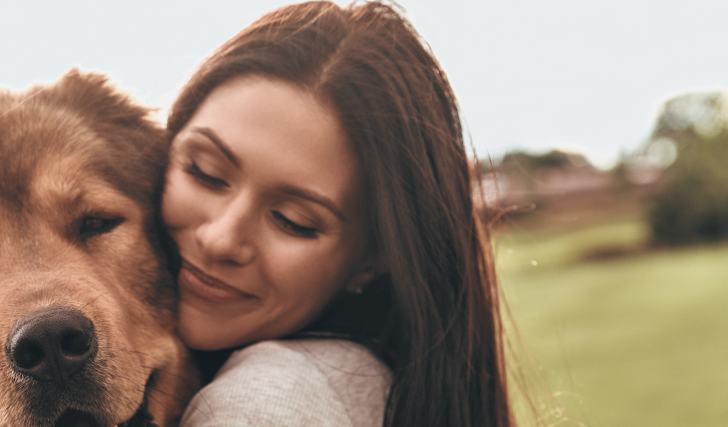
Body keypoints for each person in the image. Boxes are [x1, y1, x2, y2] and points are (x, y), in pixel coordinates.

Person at [159, 1, 513, 426]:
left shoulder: (257, 406)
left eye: (293, 220)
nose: (220, 239)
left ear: (372, 260)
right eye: (206, 173)